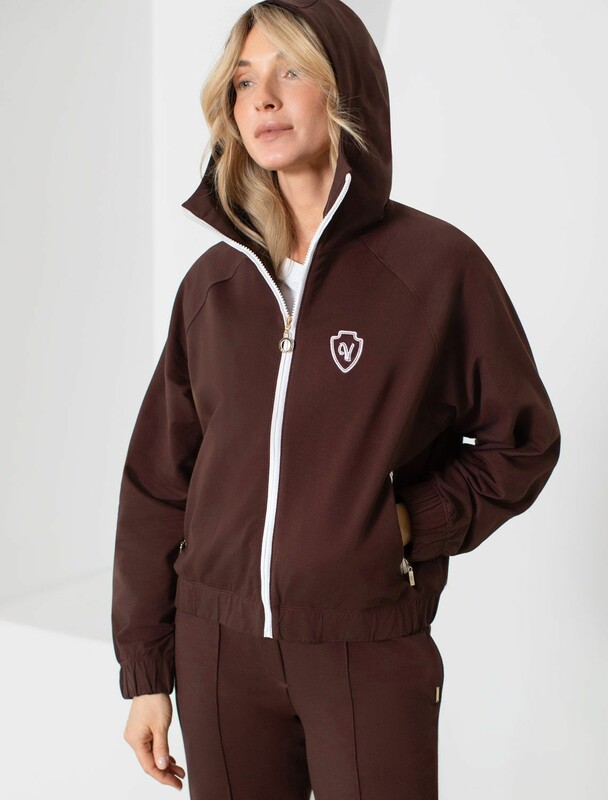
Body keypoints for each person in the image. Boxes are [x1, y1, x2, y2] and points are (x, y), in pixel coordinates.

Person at [111, 1, 561, 798]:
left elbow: (522, 441)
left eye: (289, 71)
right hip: (217, 650)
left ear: (343, 88)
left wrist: (408, 523)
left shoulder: (435, 269)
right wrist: (147, 672)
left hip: (366, 645)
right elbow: (157, 482)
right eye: (243, 81)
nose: (262, 99)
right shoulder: (214, 286)